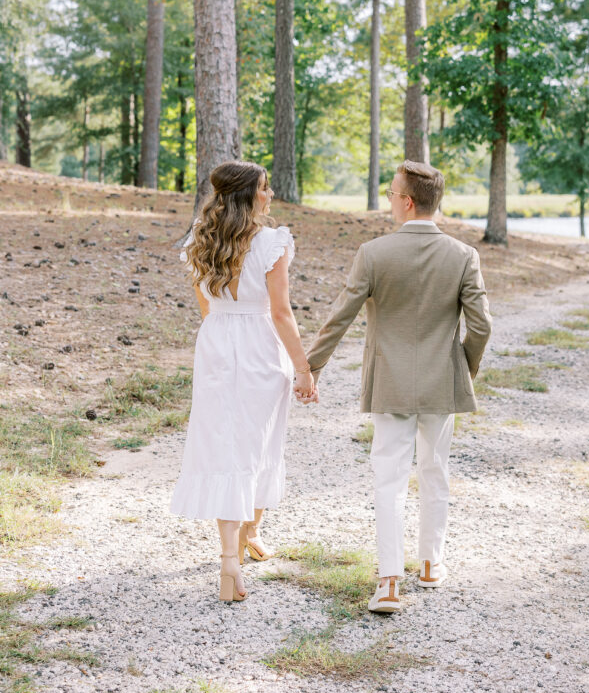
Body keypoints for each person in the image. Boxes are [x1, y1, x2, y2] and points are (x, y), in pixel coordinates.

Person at [306, 160, 492, 613]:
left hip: (389, 381)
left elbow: (339, 318)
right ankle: (430, 564)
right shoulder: (463, 255)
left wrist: (311, 367)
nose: (390, 201)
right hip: (441, 383)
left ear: (407, 202)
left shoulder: (373, 253)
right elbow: (482, 326)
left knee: (388, 480)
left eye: (391, 194)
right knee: (435, 471)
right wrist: (462, 370)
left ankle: (388, 582)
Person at [170, 161, 316, 603]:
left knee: (225, 444)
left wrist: (221, 339)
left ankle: (235, 553)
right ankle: (241, 544)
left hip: (216, 342)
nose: (270, 195)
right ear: (249, 195)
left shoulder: (201, 237)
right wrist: (304, 368)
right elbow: (280, 312)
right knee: (259, 442)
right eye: (265, 188)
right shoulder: (272, 242)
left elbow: (204, 305)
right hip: (259, 345)